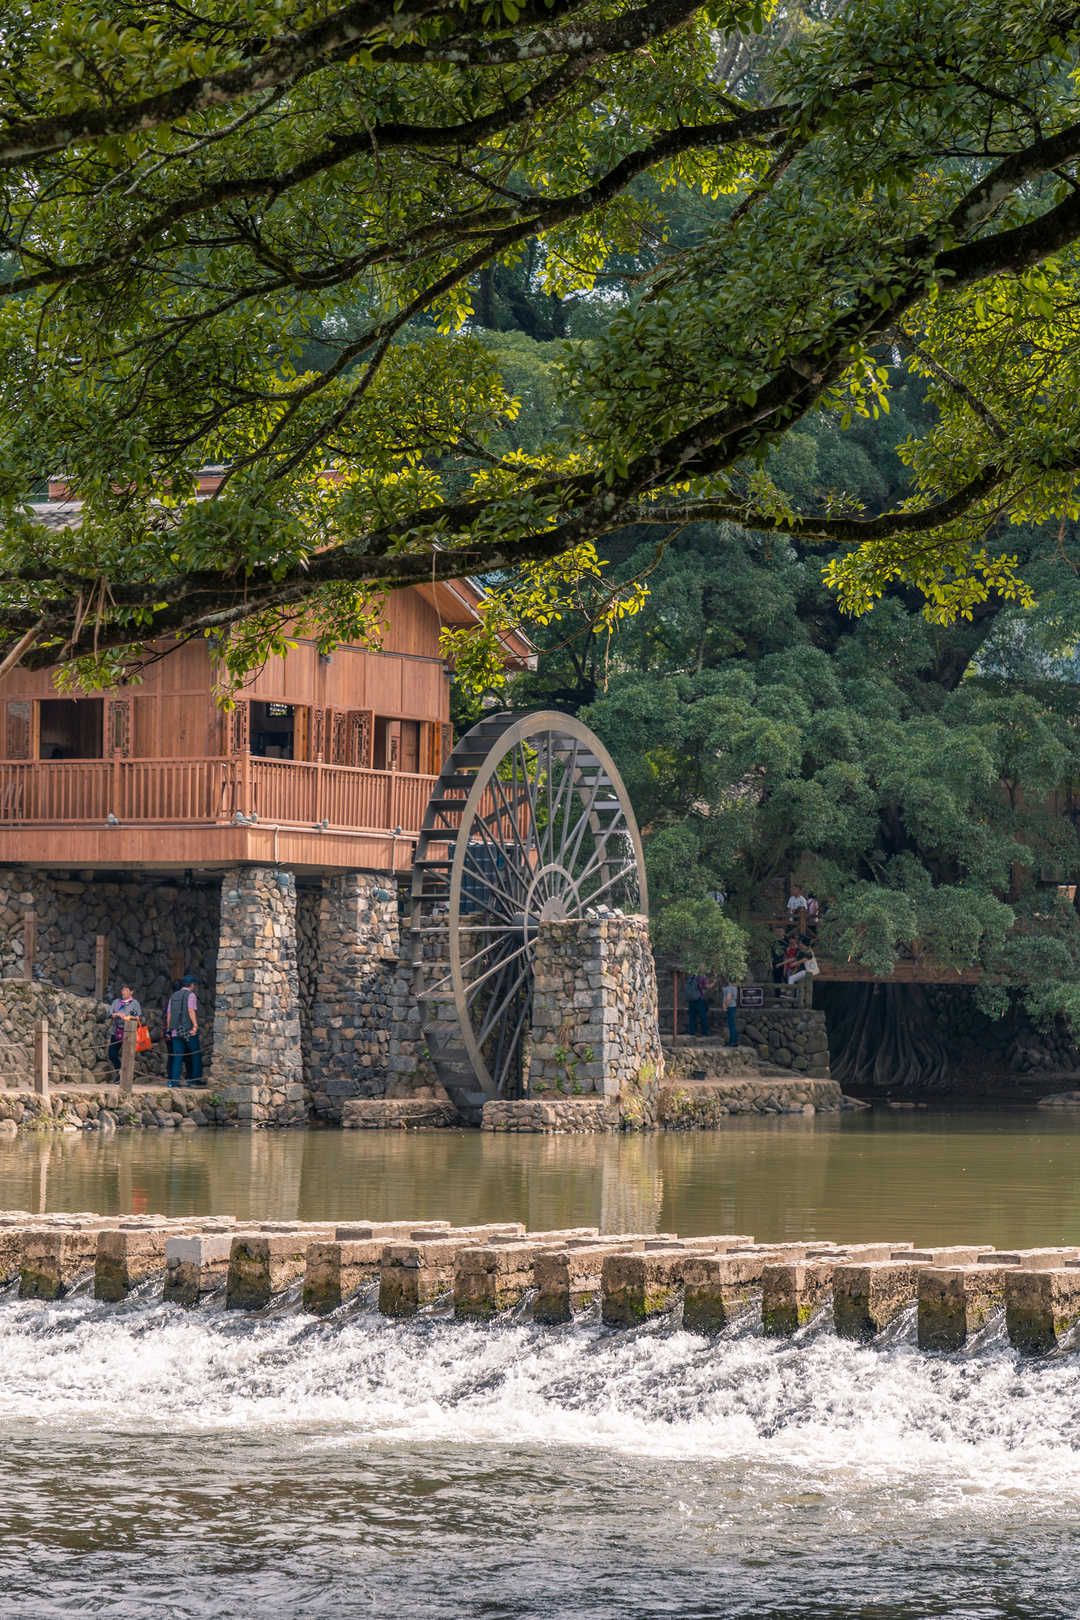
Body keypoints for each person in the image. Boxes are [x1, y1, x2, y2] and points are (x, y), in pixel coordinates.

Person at [165, 973, 204, 1086]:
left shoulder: (173, 996)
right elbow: (190, 1010)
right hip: (188, 1030)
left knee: (177, 1057)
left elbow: (169, 1013)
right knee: (195, 1054)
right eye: (194, 984)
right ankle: (195, 1079)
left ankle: (175, 1081)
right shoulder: (191, 995)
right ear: (191, 985)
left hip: (175, 1031)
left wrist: (169, 1027)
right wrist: (195, 1026)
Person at [107, 985, 141, 1071]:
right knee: (112, 1054)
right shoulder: (116, 1002)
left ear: (131, 992)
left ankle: (124, 1075)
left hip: (129, 1032)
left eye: (127, 990)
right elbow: (109, 1014)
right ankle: (120, 1072)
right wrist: (118, 1014)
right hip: (116, 1031)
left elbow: (139, 1017)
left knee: (127, 1056)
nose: (124, 992)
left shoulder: (135, 1003)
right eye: (123, 990)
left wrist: (130, 1017)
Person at [684, 972, 709, 1038]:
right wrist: (713, 984)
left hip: (691, 999)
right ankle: (704, 1033)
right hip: (699, 998)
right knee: (703, 1016)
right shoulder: (702, 977)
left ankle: (692, 1033)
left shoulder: (690, 976)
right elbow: (707, 986)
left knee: (692, 1017)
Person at [722, 982, 739, 1047]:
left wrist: (725, 1005)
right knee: (733, 1025)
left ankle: (731, 1042)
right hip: (733, 1006)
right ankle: (735, 1041)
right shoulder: (735, 987)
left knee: (731, 1025)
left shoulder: (729, 988)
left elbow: (728, 998)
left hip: (729, 1007)